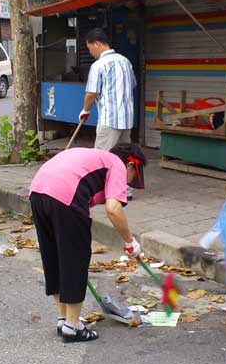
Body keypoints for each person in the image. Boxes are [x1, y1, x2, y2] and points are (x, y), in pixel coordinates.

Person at [28, 143, 146, 343]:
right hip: (65, 196)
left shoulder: (94, 156)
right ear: (131, 166)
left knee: (55, 256)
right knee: (75, 260)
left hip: (37, 193)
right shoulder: (117, 164)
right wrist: (130, 242)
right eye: (133, 176)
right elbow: (113, 208)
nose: (128, 184)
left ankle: (63, 319)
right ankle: (73, 327)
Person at [79, 28, 136, 151]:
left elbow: (91, 94)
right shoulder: (125, 61)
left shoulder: (98, 66)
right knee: (123, 158)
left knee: (102, 159)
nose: (90, 53)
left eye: (90, 48)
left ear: (97, 44)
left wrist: (85, 110)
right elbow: (132, 85)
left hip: (109, 121)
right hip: (127, 120)